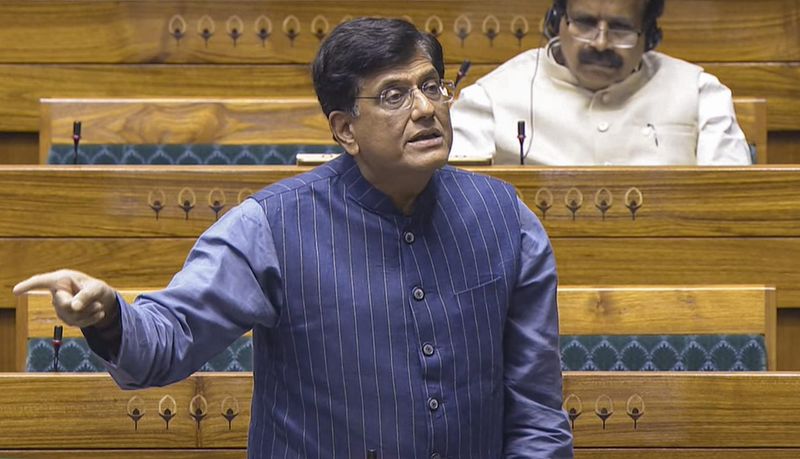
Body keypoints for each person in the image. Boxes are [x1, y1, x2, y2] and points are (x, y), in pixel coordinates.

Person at [13, 18, 573, 459]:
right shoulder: (271, 226)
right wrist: (110, 315)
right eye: (394, 95)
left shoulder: (507, 219)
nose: (426, 108)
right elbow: (170, 339)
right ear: (345, 129)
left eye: (432, 86)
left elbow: (538, 413)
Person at [450, 0, 752, 166]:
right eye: (585, 23)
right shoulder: (490, 99)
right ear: (557, 22)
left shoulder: (700, 94)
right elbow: (454, 206)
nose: (600, 43)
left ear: (650, 36)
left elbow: (731, 201)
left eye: (621, 28)